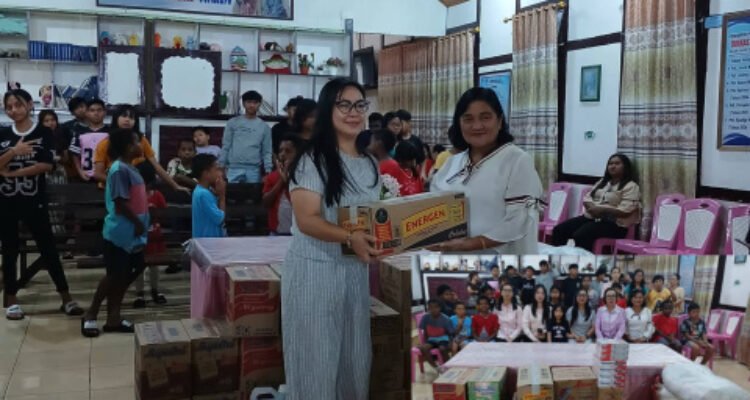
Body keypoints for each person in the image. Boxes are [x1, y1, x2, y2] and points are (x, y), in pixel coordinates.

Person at [282, 78, 381, 399]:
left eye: (360, 105)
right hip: (314, 273)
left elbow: (371, 218)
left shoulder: (370, 163)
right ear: (328, 110)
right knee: (316, 362)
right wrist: (350, 237)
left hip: (354, 273)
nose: (354, 112)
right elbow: (307, 219)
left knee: (354, 360)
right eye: (344, 105)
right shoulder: (311, 160)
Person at [0, 89, 83, 320]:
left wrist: (12, 173)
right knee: (9, 250)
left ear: (29, 104)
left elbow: (46, 165)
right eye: (9, 107)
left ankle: (66, 298)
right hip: (6, 201)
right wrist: (14, 151)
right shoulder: (3, 133)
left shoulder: (43, 132)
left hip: (34, 201)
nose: (14, 110)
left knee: (48, 249)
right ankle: (11, 299)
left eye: (18, 105)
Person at [429, 88, 544, 254]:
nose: (477, 126)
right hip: (454, 261)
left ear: (499, 121)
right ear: (459, 124)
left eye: (485, 117)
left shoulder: (517, 160)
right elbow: (433, 210)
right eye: (468, 119)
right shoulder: (451, 163)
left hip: (501, 263)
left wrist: (471, 244)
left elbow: (520, 220)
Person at [81, 129, 149, 337]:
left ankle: (114, 318)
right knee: (114, 276)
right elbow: (120, 202)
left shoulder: (130, 167)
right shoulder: (119, 169)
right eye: (137, 142)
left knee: (126, 273)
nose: (140, 145)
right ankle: (91, 314)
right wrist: (137, 222)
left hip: (132, 233)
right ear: (128, 147)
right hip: (121, 232)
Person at [551, 154, 641, 251]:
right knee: (559, 230)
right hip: (592, 217)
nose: (613, 166)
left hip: (614, 225)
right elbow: (587, 197)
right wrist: (593, 208)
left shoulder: (631, 186)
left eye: (617, 163)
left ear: (625, 167)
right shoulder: (603, 182)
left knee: (581, 235)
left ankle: (584, 257)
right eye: (610, 164)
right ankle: (560, 255)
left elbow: (626, 210)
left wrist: (602, 210)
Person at [93, 106, 188, 193]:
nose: (127, 120)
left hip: (138, 188)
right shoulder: (105, 143)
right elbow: (98, 174)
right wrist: (122, 183)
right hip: (112, 188)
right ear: (116, 119)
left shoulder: (141, 140)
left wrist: (175, 186)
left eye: (131, 117)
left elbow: (156, 166)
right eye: (124, 116)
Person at [132, 162, 167, 308]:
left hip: (154, 237)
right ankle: (139, 293)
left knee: (154, 266)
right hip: (139, 236)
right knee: (138, 266)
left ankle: (154, 290)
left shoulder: (157, 195)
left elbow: (164, 212)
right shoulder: (134, 195)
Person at [220, 90, 273, 184]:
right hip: (233, 168)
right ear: (244, 103)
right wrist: (221, 165)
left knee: (252, 193)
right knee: (231, 192)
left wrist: (268, 169)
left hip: (254, 170)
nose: (251, 105)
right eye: (249, 102)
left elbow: (267, 151)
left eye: (255, 102)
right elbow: (226, 145)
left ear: (259, 104)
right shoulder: (232, 123)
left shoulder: (264, 127)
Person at [263, 135, 301, 236]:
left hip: (298, 234)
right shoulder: (272, 176)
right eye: (281, 151)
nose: (283, 154)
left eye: (288, 151)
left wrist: (288, 177)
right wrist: (282, 179)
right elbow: (266, 203)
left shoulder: (302, 175)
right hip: (275, 233)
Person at [69, 98, 109, 182]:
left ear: (105, 112)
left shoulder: (111, 132)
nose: (96, 113)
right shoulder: (79, 132)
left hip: (107, 176)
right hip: (86, 177)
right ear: (87, 113)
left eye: (99, 110)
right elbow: (74, 153)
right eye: (92, 110)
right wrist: (80, 171)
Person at [191, 154, 227, 238]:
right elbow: (220, 219)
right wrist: (222, 196)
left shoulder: (203, 191)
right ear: (206, 173)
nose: (220, 173)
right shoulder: (204, 194)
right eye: (216, 169)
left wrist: (217, 195)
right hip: (207, 242)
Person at [418, 299, 453, 368]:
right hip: (431, 339)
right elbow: (425, 331)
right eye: (431, 307)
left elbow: (450, 333)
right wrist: (424, 342)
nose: (433, 309)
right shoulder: (425, 317)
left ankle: (448, 366)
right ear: (428, 308)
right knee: (423, 348)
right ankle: (436, 368)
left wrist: (450, 342)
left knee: (442, 349)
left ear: (440, 308)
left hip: (443, 339)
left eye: (436, 307)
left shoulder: (446, 319)